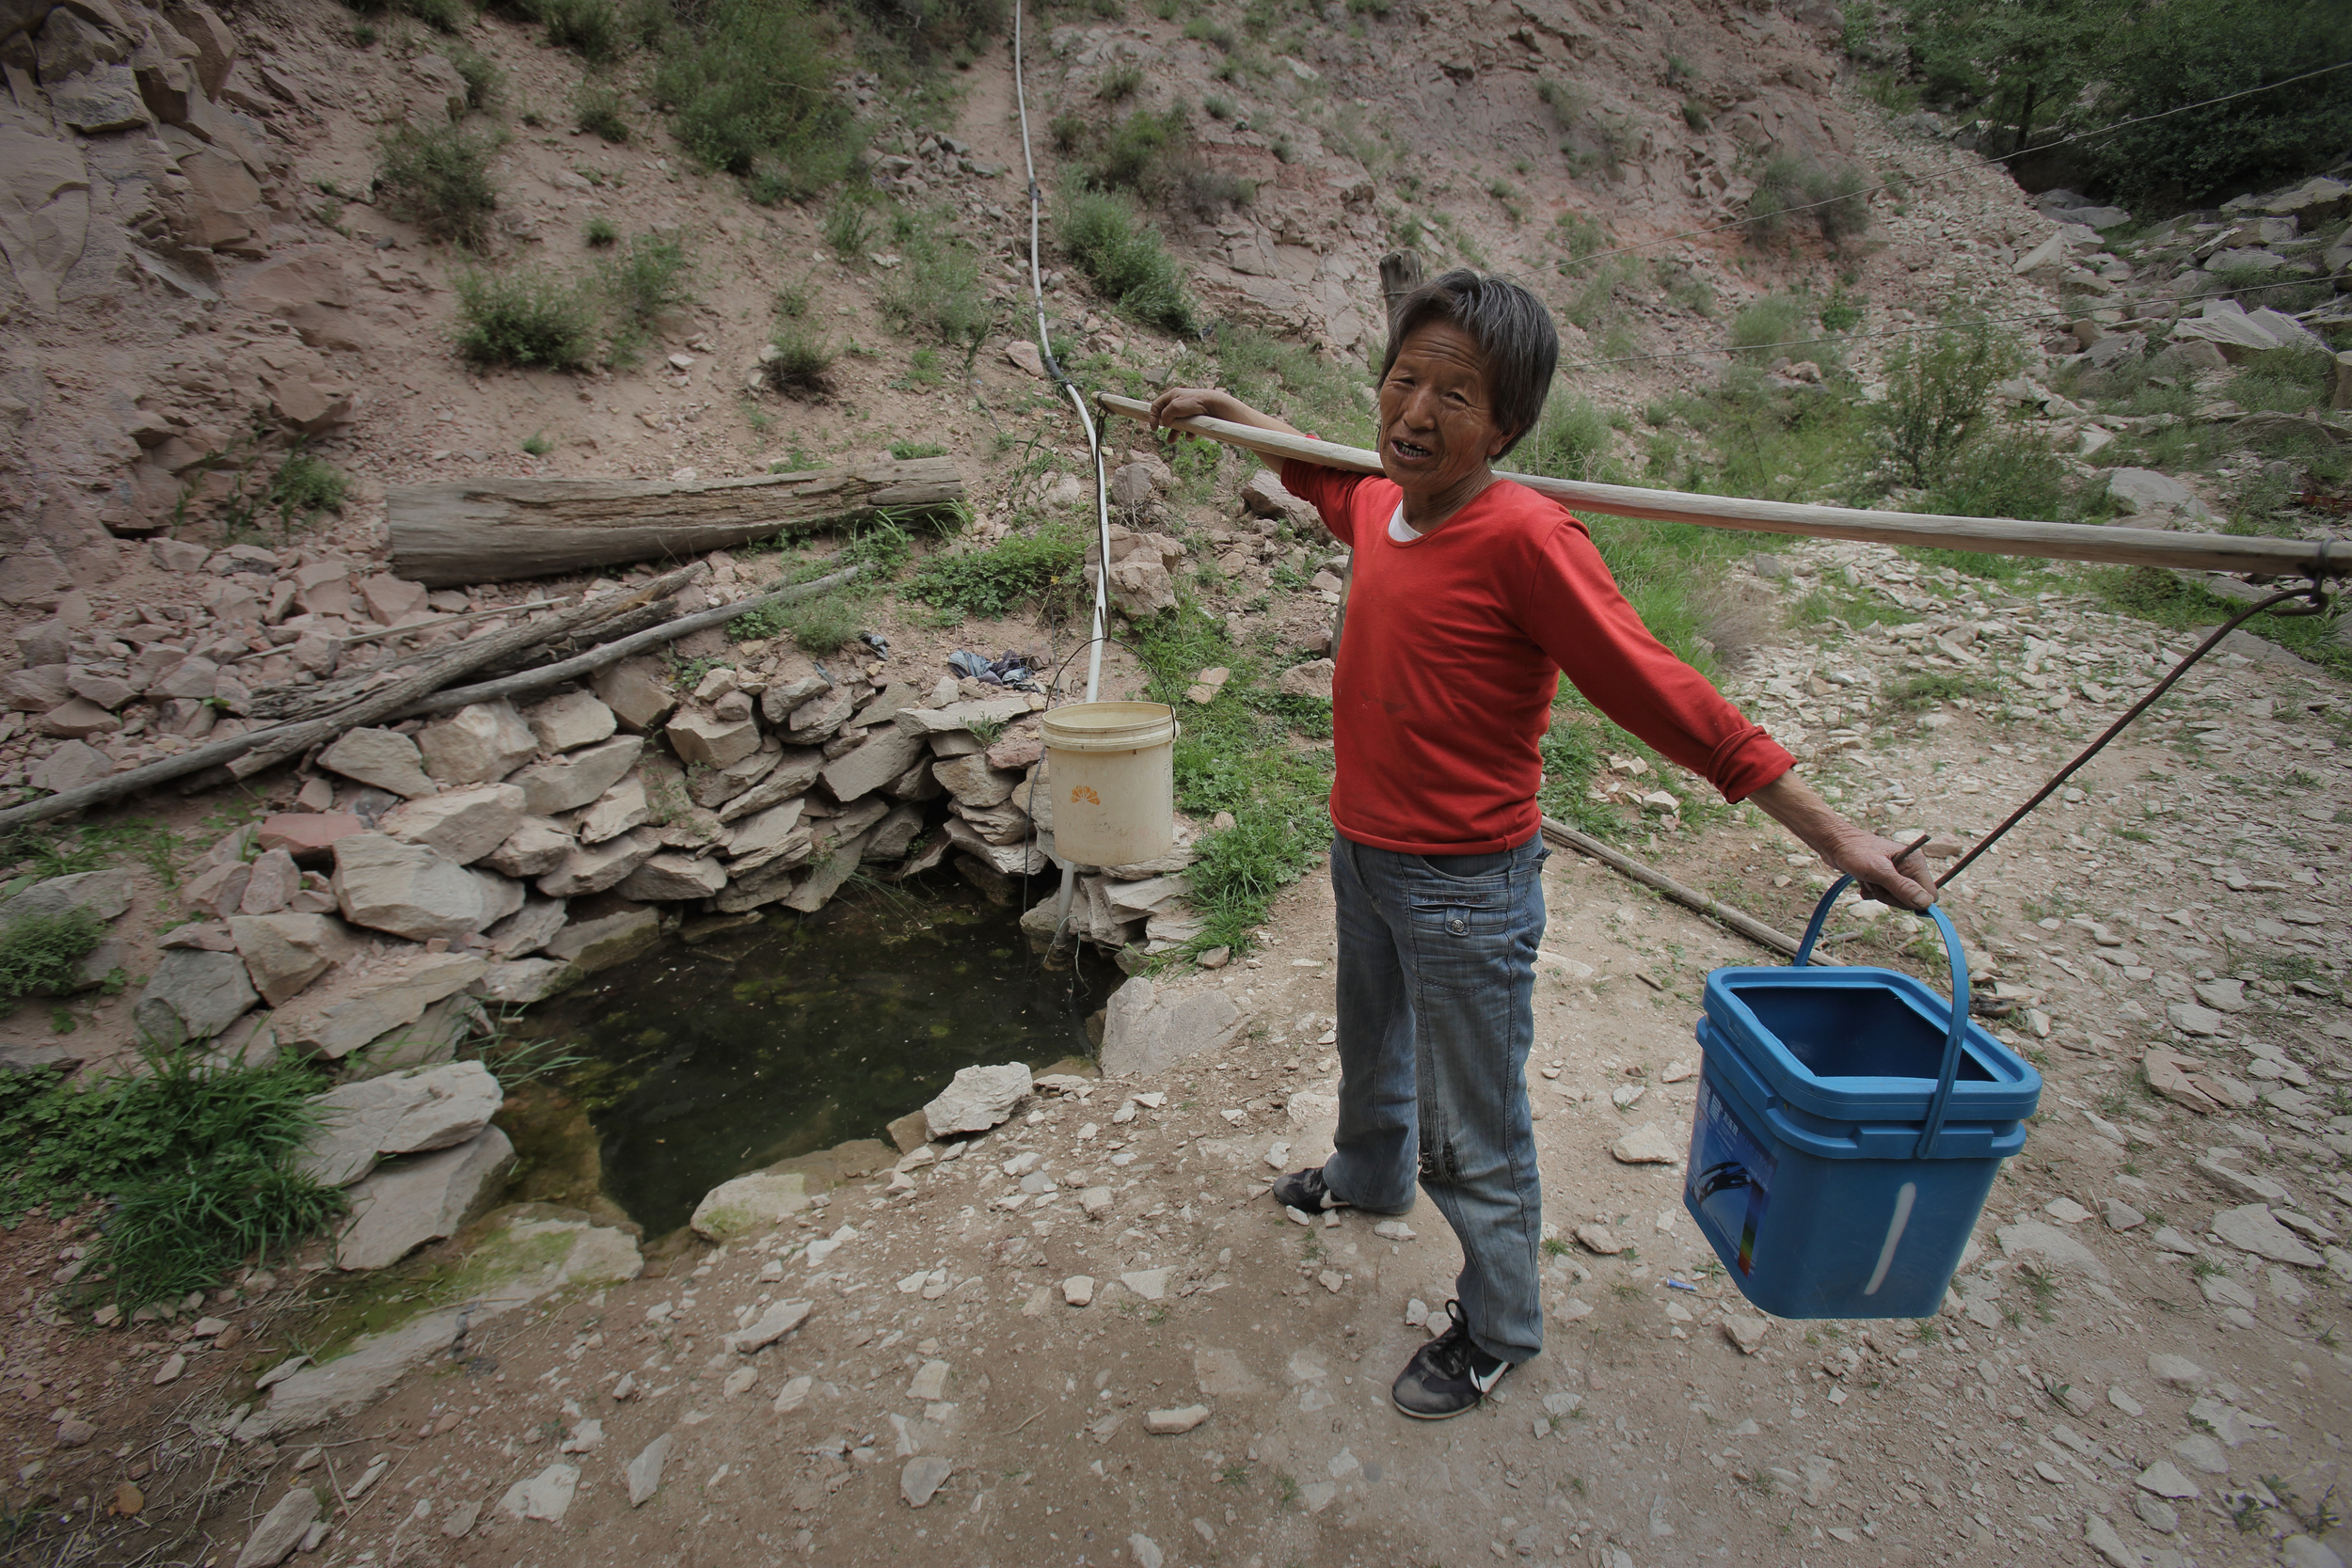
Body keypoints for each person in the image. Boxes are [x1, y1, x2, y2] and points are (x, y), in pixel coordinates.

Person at [1147, 270, 1935, 1421]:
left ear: (1505, 424)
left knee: (1474, 1125)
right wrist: (1229, 413)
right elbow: (1320, 469)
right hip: (1362, 849)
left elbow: (1661, 691)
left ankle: (1502, 1320)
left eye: (1454, 394)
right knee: (1369, 1044)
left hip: (1466, 887)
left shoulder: (1526, 537)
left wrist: (1834, 832)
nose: (1415, 411)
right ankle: (1368, 1176)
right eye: (1402, 378)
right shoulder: (1379, 499)